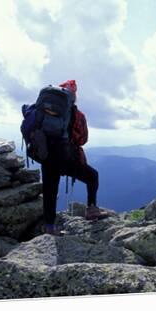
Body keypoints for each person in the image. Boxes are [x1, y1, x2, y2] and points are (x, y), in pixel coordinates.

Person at [41, 80, 106, 235]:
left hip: (46, 156)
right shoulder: (77, 115)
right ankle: (91, 210)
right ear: (73, 96)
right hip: (67, 158)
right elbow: (83, 139)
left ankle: (49, 226)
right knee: (92, 176)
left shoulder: (43, 111)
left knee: (49, 190)